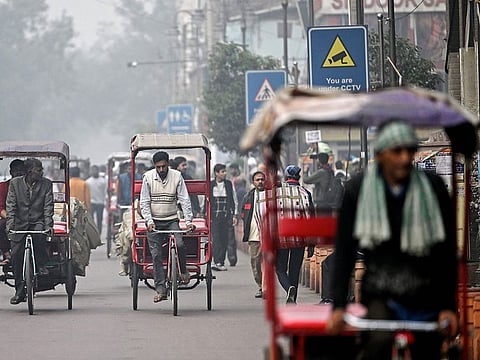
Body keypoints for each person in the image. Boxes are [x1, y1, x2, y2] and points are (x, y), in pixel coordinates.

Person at [326, 121, 458, 358]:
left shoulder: (433, 187)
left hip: (425, 292)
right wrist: (338, 306)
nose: (405, 158)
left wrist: (449, 307)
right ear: (381, 154)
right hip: (381, 292)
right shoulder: (358, 189)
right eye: (397, 151)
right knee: (378, 343)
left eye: (410, 150)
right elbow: (344, 250)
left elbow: (446, 253)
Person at [140, 151, 196, 303]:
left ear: (168, 164)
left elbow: (184, 199)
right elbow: (144, 202)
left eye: (164, 166)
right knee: (156, 255)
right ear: (155, 166)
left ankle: (183, 271)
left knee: (180, 244)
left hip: (172, 219)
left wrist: (189, 221)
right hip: (154, 222)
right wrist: (149, 221)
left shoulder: (177, 176)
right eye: (158, 167)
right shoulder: (148, 177)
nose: (161, 170)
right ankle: (160, 289)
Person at [6, 158, 54, 305]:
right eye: (38, 170)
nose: (41, 172)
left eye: (41, 170)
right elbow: (11, 205)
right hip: (19, 224)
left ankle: (41, 264)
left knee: (40, 236)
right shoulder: (14, 184)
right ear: (29, 171)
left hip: (37, 222)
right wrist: (10, 225)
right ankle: (19, 291)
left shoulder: (46, 184)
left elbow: (48, 206)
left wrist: (48, 226)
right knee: (16, 256)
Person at [276, 165, 314, 304]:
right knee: (295, 269)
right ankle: (293, 298)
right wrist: (311, 243)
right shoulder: (305, 193)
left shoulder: (277, 193)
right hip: (300, 238)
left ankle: (288, 288)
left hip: (281, 237)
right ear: (299, 177)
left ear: (286, 177)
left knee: (280, 268)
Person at [241, 171, 266, 298]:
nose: (260, 182)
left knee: (268, 262)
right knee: (255, 262)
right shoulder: (248, 197)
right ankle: (261, 286)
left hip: (268, 235)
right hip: (253, 235)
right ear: (253, 182)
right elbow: (243, 214)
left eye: (262, 179)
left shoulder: (271, 196)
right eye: (257, 180)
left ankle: (266, 288)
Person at [210, 163, 238, 270]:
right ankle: (216, 261)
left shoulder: (229, 184)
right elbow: (207, 200)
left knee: (224, 239)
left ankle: (220, 262)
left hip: (226, 216)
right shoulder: (211, 184)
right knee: (216, 239)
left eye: (225, 171)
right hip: (214, 217)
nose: (225, 173)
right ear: (216, 173)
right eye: (222, 171)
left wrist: (235, 214)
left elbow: (233, 199)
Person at [0, 159, 26, 266]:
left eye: (21, 170)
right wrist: (9, 217)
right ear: (11, 172)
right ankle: (7, 255)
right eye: (16, 170)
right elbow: (0, 207)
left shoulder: (30, 186)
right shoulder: (3, 187)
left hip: (29, 217)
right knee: (1, 225)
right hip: (10, 217)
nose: (19, 173)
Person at [86, 165, 107, 235]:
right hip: (92, 203)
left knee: (99, 219)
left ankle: (99, 233)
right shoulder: (88, 182)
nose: (94, 171)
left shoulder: (103, 181)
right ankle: (92, 234)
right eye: (93, 170)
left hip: (100, 203)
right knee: (91, 220)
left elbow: (106, 192)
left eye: (95, 170)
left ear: (98, 171)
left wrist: (106, 201)